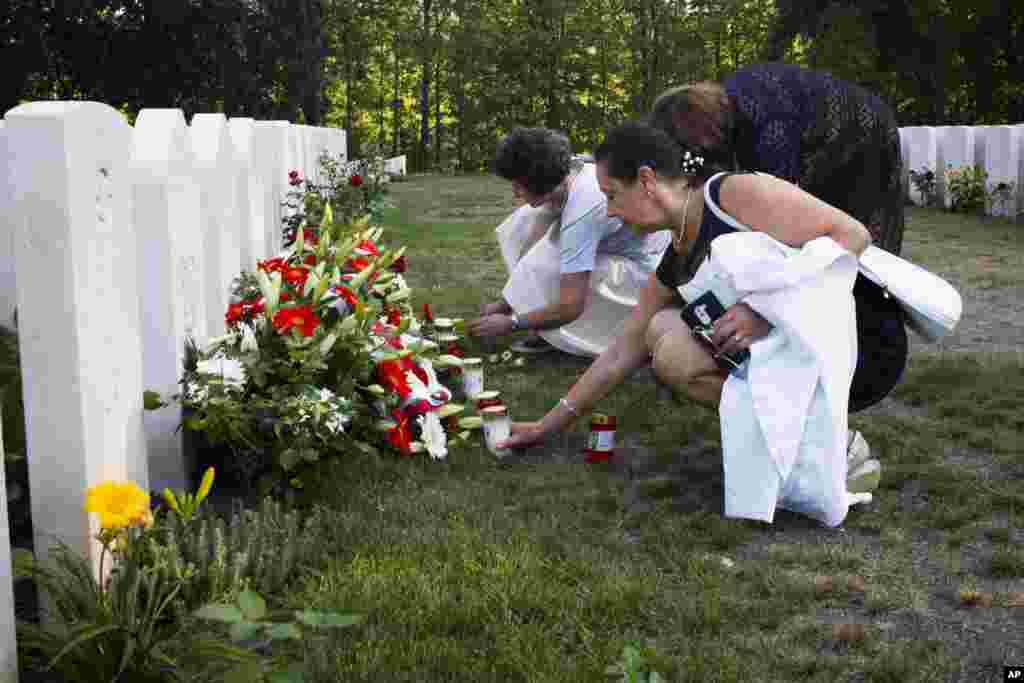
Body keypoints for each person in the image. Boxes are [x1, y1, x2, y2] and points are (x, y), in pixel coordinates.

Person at [501, 121, 902, 527]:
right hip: (792, 351)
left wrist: (764, 310)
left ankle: (828, 443)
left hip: (861, 339)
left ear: (646, 181)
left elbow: (852, 234)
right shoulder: (675, 256)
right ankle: (806, 446)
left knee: (671, 341)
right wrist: (547, 424)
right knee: (662, 333)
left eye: (612, 195)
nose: (609, 211)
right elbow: (621, 351)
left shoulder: (731, 194)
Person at [649, 62, 905, 256]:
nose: (694, 152)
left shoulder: (765, 122)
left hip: (863, 136)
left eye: (688, 143)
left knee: (853, 239)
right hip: (834, 138)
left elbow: (780, 201)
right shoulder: (732, 107)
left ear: (696, 123)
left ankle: (866, 309)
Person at [466, 127, 670, 357]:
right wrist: (506, 303)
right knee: (524, 222)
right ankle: (538, 315)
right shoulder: (567, 172)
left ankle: (557, 333)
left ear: (542, 183)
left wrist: (512, 322)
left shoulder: (584, 211)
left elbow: (571, 305)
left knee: (549, 266)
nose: (515, 192)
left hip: (644, 275)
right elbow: (528, 256)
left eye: (519, 185)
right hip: (612, 248)